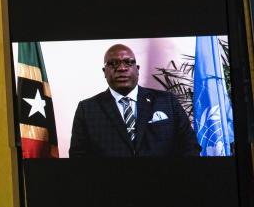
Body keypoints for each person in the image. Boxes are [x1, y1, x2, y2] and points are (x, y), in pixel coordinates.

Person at [69, 44, 200, 158]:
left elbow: (189, 146)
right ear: (104, 71)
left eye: (128, 62)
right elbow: (78, 155)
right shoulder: (87, 109)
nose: (121, 68)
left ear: (137, 69)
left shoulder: (167, 101)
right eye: (113, 63)